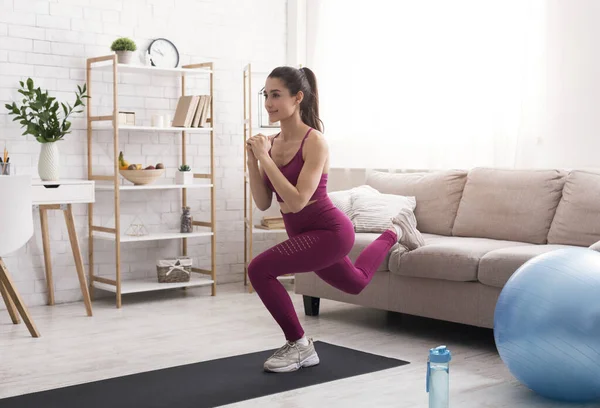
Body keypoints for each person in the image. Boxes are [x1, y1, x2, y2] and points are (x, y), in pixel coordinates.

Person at [246, 66, 424, 373]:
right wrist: (253, 158)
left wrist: (263, 158)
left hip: (330, 232)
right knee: (355, 283)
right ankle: (394, 231)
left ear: (297, 97)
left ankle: (300, 345)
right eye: (266, 95)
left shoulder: (315, 142)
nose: (268, 103)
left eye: (276, 95)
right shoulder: (271, 144)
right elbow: (263, 203)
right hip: (305, 236)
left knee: (259, 269)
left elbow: (299, 199)